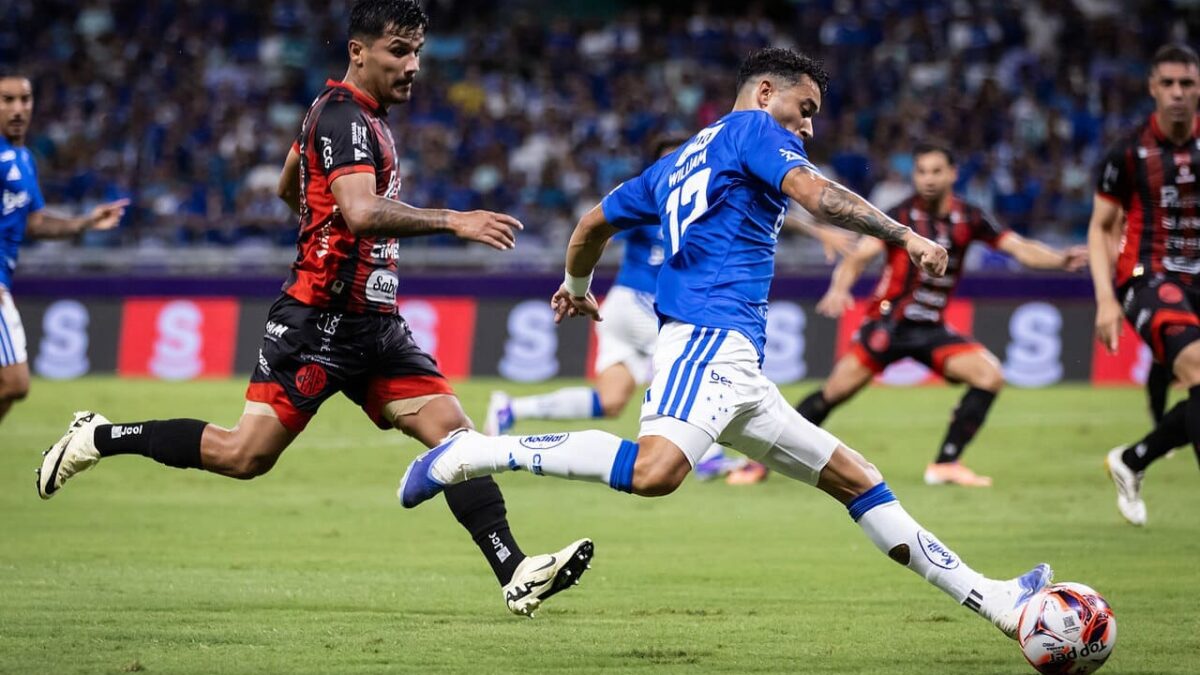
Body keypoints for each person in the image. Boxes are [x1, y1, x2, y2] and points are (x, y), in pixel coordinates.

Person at [399, 47, 1052, 642]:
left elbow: (592, 221)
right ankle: (471, 451)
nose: (809, 128)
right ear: (766, 92)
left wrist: (576, 283)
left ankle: (999, 601)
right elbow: (818, 196)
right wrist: (904, 235)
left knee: (858, 478)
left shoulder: (676, 159)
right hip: (708, 338)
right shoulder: (753, 130)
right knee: (656, 471)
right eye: (805, 110)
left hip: (738, 365)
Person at [35, 0, 591, 617]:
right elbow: (357, 211)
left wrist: (318, 226)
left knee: (456, 439)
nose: (412, 66)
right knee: (243, 456)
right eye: (399, 51)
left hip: (376, 327)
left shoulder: (349, 117)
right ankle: (99, 437)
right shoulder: (345, 118)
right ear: (359, 52)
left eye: (418, 53)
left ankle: (514, 570)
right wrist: (452, 219)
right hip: (315, 324)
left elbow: (288, 186)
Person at [485, 133, 855, 485]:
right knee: (704, 360)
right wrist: (579, 275)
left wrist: (817, 231)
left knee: (611, 401)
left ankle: (511, 409)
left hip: (622, 313)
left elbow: (763, 212)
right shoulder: (656, 195)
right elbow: (601, 226)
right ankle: (707, 453)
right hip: (637, 304)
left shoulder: (705, 193)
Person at [794, 143, 1087, 487]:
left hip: (931, 329)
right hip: (888, 325)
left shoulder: (971, 218)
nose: (928, 179)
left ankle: (946, 464)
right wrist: (839, 287)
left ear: (953, 174)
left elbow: (1018, 247)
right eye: (921, 172)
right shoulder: (899, 216)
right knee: (833, 394)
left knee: (989, 376)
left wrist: (1059, 259)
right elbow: (860, 256)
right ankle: (761, 463)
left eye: (936, 171)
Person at [1091, 44, 1200, 527]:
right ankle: (1133, 460)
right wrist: (1105, 300)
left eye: (1188, 84)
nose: (1178, 93)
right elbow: (1101, 226)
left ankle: (1133, 460)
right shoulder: (1129, 151)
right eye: (1169, 83)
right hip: (1148, 279)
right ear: (1154, 88)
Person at [0, 71, 128, 425]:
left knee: (9, 387)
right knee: (15, 382)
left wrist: (85, 222)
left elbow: (35, 222)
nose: (17, 109)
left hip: (5, 282)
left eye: (24, 100)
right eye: (7, 100)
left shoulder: (23, 159)